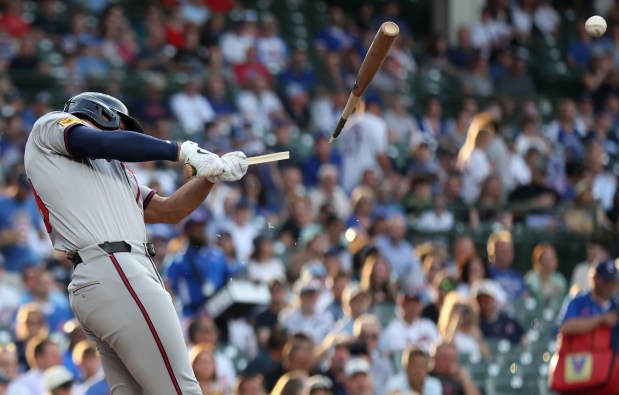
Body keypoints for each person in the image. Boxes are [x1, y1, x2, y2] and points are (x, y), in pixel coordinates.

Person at [23, 92, 248, 394]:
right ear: (102, 115)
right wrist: (180, 150)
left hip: (107, 276)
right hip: (114, 268)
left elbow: (169, 211)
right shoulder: (50, 127)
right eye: (123, 126)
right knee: (180, 390)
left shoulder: (116, 173)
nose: (125, 135)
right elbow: (103, 142)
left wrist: (210, 175)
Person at [166, 207, 236, 318]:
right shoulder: (178, 260)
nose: (200, 231)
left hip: (220, 313)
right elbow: (169, 288)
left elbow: (231, 278)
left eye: (202, 226)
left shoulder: (218, 254)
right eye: (196, 227)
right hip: (191, 315)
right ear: (187, 231)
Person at [559, 259, 619, 338]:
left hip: (608, 349)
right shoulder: (578, 301)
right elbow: (564, 327)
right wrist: (601, 320)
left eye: (612, 281)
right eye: (605, 281)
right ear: (594, 278)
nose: (609, 286)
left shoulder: (616, 304)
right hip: (581, 349)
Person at [472, 279, 526, 345]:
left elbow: (524, 337)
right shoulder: (477, 325)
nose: (483, 304)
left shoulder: (507, 320)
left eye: (486, 300)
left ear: (494, 299)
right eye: (480, 301)